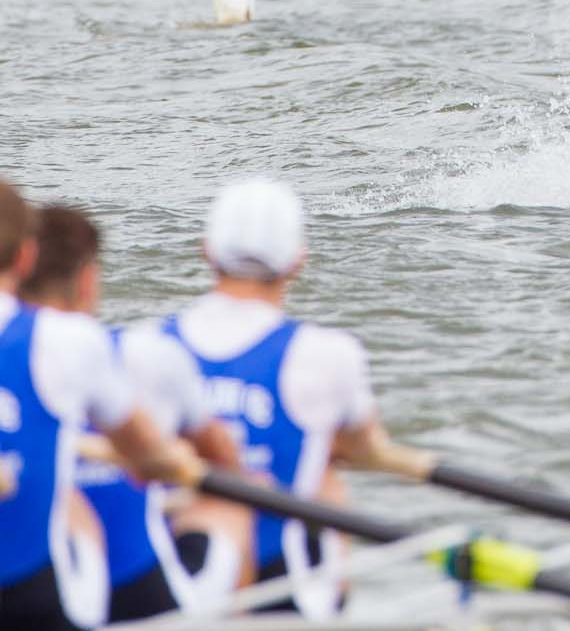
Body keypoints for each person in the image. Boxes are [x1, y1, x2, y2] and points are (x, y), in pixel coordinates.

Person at [164, 179, 427, 620]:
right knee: (323, 476)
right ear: (297, 261)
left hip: (175, 579)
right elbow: (365, 448)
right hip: (282, 586)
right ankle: (330, 603)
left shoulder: (147, 346)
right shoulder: (326, 353)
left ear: (206, 251)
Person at [19, 206, 243, 623]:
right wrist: (168, 460)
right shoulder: (130, 351)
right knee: (231, 503)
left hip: (19, 582)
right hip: (121, 592)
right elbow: (206, 462)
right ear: (87, 280)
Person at [1, 181, 199, 631]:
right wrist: (174, 463)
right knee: (81, 515)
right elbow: (146, 451)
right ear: (24, 258)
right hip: (32, 602)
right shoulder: (67, 341)